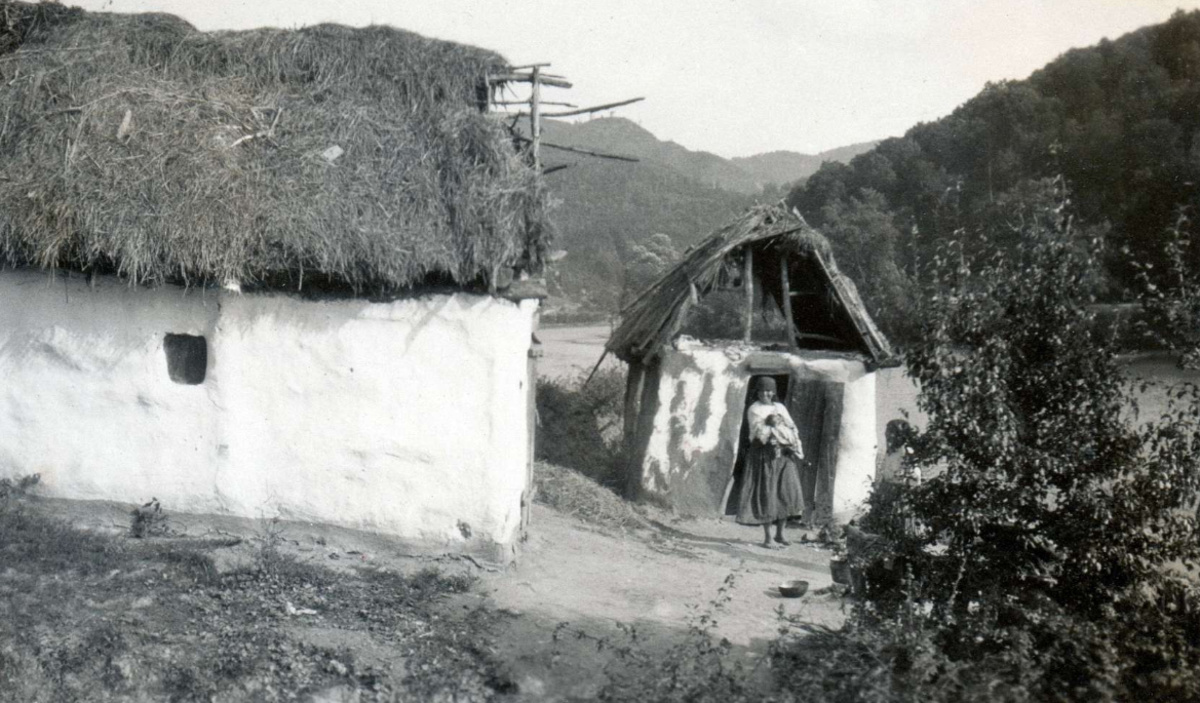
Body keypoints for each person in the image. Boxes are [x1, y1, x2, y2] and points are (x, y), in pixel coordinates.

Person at [736, 377, 806, 548]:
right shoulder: (754, 409)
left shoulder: (780, 407)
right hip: (764, 455)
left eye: (769, 390)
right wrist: (771, 425)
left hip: (783, 455)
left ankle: (780, 534)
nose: (765, 394)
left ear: (774, 392)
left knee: (785, 492)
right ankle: (768, 538)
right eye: (762, 390)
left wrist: (788, 437)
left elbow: (791, 426)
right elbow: (759, 433)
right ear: (757, 392)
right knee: (767, 493)